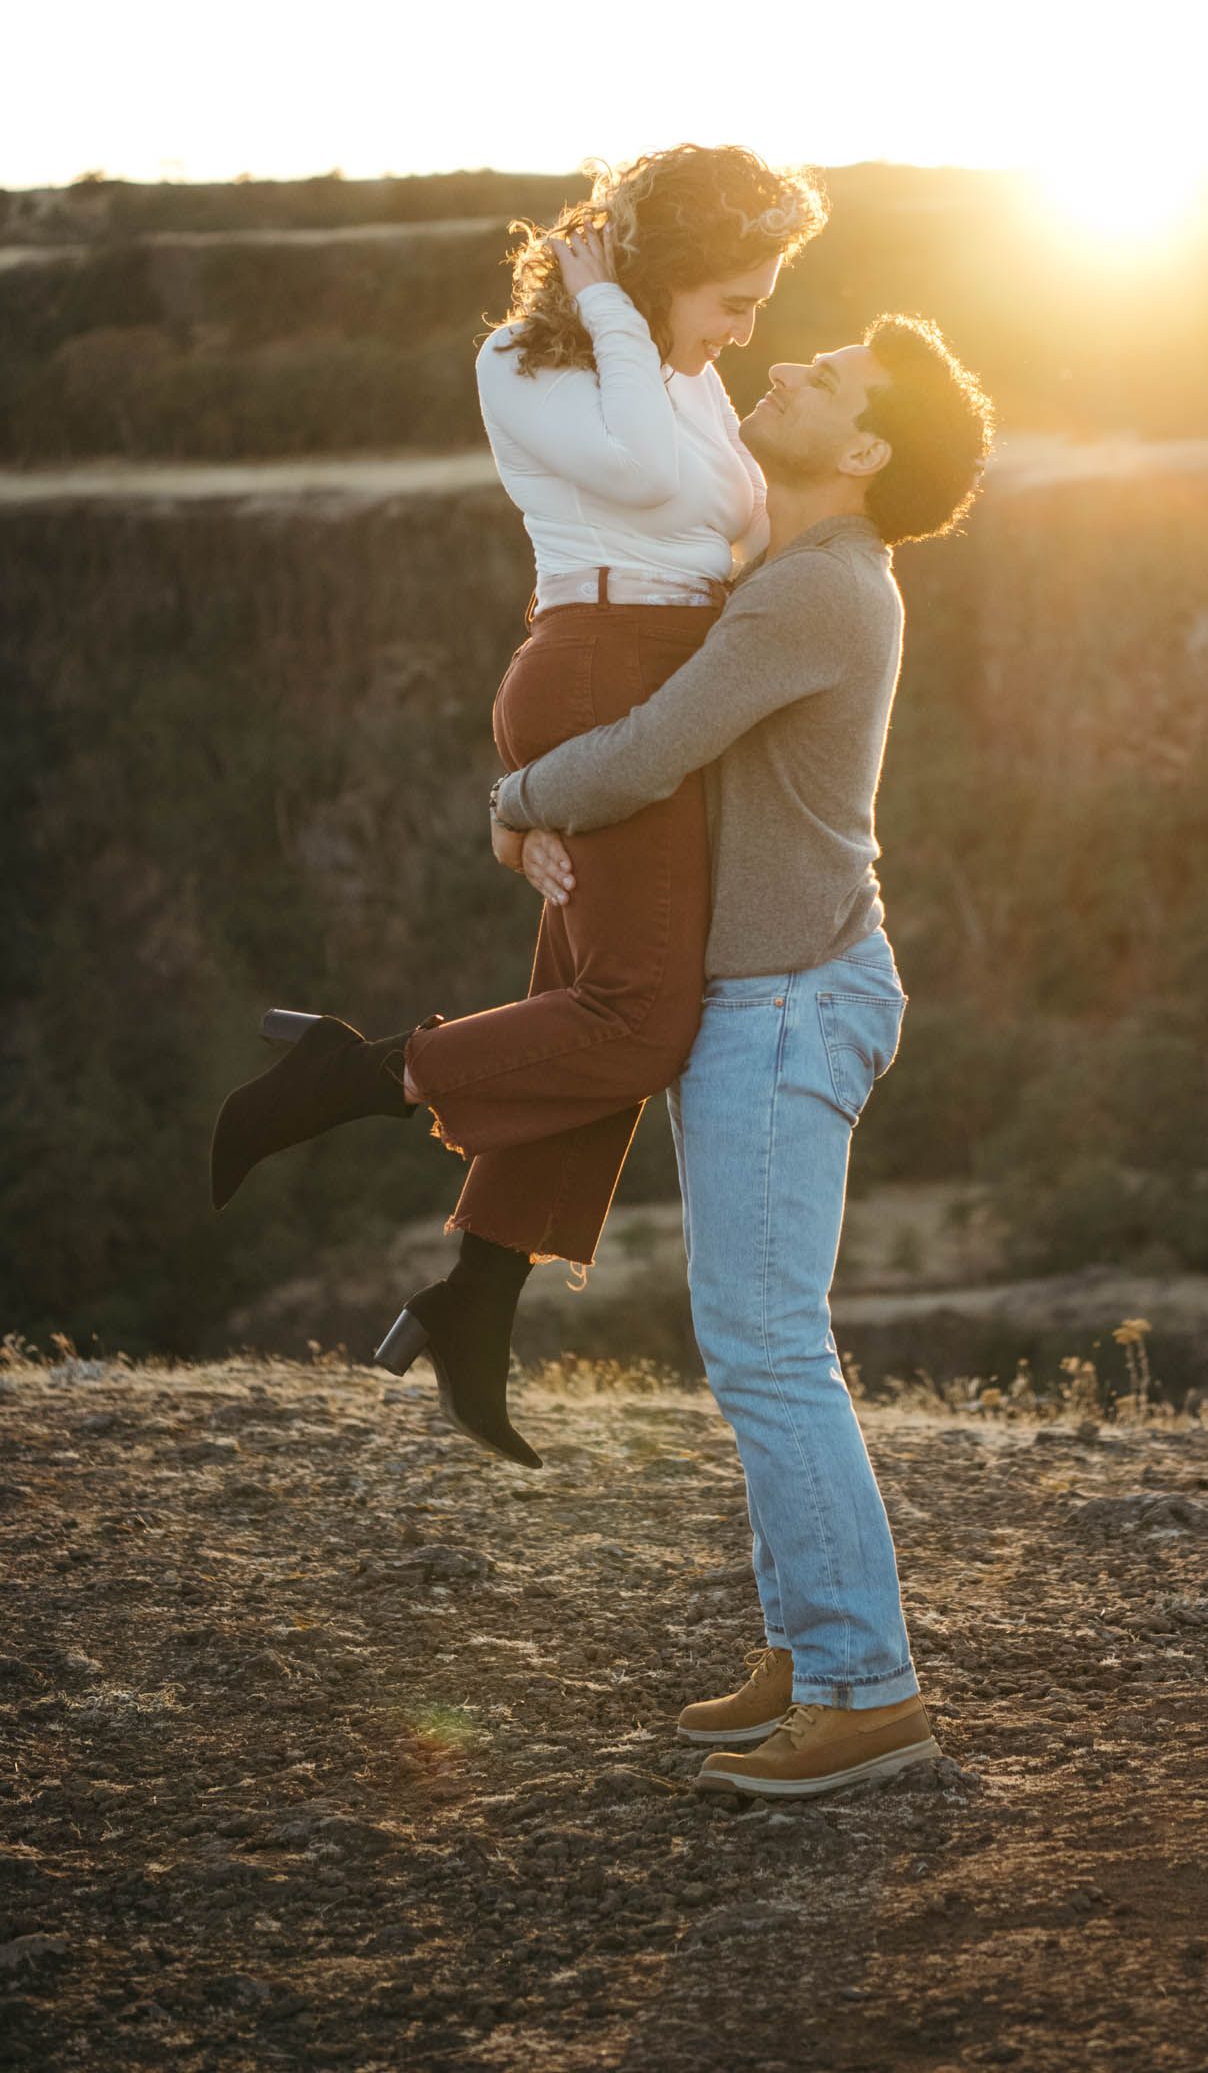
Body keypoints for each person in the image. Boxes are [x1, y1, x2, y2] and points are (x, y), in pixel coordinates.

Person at [208, 144, 827, 1467]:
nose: (745, 329)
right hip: (606, 668)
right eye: (733, 298)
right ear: (655, 279)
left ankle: (473, 1303)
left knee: (582, 1009)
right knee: (636, 1022)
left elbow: (738, 514)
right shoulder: (528, 360)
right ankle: (355, 1072)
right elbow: (670, 492)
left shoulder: (681, 372)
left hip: (660, 674)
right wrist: (615, 314)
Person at [491, 311, 994, 1800]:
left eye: (827, 374)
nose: (789, 365)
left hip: (785, 1004)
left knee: (768, 1349)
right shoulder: (799, 565)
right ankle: (804, 1644)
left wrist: (515, 796)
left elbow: (654, 747)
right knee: (761, 1342)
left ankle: (866, 1689)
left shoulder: (821, 593)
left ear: (867, 450)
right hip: (781, 989)